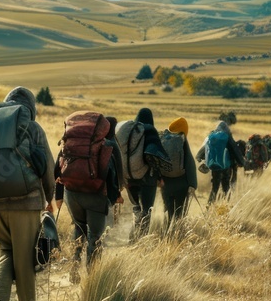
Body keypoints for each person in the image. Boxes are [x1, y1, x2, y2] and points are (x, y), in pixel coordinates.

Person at [0, 86, 55, 301]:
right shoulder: (33, 128)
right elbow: (48, 167)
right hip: (26, 200)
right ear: (30, 107)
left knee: (6, 250)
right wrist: (49, 197)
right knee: (24, 256)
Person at [53, 113, 123, 275]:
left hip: (72, 194)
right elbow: (110, 174)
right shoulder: (105, 146)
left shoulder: (71, 145)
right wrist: (116, 196)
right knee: (95, 236)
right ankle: (91, 275)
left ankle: (74, 266)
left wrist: (58, 196)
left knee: (78, 228)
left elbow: (57, 169)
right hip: (95, 194)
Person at [125, 107, 165, 240]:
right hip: (148, 178)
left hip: (130, 177)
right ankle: (141, 238)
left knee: (136, 208)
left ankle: (132, 235)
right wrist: (159, 177)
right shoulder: (150, 131)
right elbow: (155, 156)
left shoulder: (131, 132)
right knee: (147, 209)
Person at [159, 117, 198, 224]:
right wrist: (193, 184)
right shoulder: (182, 140)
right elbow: (189, 162)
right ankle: (178, 234)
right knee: (180, 212)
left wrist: (158, 179)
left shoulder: (162, 138)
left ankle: (167, 234)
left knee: (168, 210)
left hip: (165, 183)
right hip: (182, 183)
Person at [196, 120, 245, 205]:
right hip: (226, 167)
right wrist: (242, 162)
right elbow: (235, 150)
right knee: (226, 188)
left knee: (214, 188)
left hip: (214, 167)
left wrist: (199, 157)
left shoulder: (212, 136)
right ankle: (225, 208)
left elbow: (204, 149)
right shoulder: (227, 136)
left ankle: (208, 208)